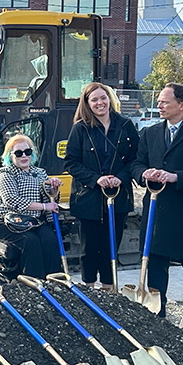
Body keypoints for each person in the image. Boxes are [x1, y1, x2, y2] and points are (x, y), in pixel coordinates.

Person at [132, 83, 183, 318]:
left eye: (165, 102)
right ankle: (158, 312)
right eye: (159, 101)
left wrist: (176, 177)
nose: (159, 105)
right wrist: (143, 174)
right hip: (158, 209)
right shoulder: (150, 133)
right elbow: (137, 163)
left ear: (182, 105)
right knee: (156, 261)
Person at [63, 83, 139, 287]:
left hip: (118, 196)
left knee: (111, 247)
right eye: (94, 100)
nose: (100, 103)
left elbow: (136, 159)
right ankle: (89, 290)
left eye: (103, 98)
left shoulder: (125, 125)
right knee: (90, 248)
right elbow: (71, 162)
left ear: (109, 99)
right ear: (87, 103)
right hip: (89, 198)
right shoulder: (80, 129)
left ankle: (108, 289)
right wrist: (96, 179)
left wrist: (121, 178)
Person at [0, 134, 64, 279]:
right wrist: (45, 206)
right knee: (30, 241)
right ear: (10, 156)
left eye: (27, 152)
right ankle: (31, 283)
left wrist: (53, 190)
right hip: (6, 219)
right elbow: (12, 201)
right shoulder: (6, 173)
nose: (24, 156)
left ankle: (54, 281)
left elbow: (50, 199)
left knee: (50, 239)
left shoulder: (40, 173)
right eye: (18, 153)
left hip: (33, 220)